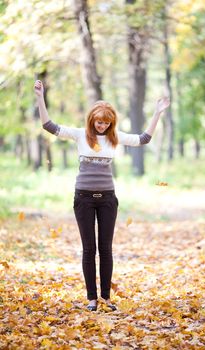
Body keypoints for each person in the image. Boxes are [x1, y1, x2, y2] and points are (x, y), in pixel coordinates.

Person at [34, 79, 170, 312]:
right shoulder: (79, 135)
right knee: (89, 249)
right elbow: (49, 125)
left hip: (108, 199)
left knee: (105, 249)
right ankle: (91, 299)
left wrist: (157, 113)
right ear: (91, 120)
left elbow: (143, 139)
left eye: (106, 123)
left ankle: (106, 297)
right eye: (99, 122)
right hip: (83, 199)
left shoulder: (114, 137)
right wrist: (40, 98)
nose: (102, 126)